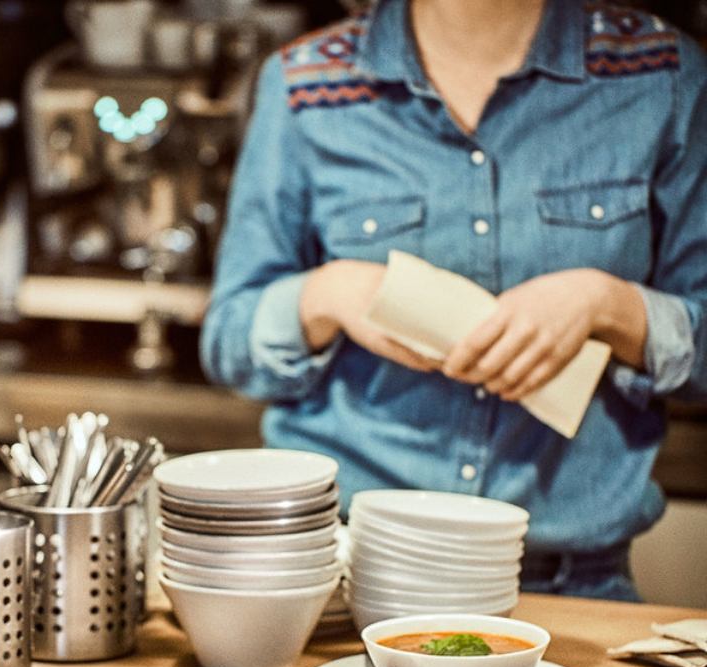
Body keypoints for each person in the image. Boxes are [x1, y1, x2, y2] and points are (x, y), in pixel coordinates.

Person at [201, 0, 707, 600]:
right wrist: (324, 295)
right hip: (342, 580)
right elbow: (227, 341)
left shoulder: (663, 75)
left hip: (568, 590)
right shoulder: (304, 84)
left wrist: (609, 305)